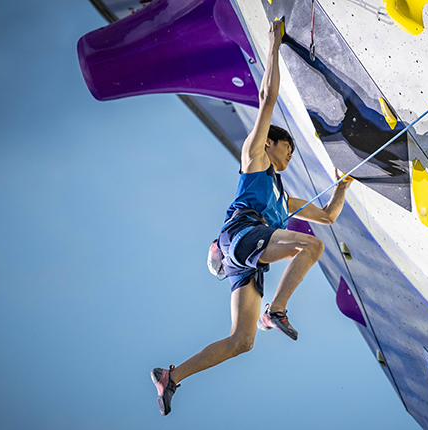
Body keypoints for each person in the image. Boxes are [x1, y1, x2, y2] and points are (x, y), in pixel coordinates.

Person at [151, 19, 353, 416]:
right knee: (310, 245)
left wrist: (342, 187)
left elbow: (328, 215)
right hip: (242, 235)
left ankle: (170, 378)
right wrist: (275, 47)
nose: (291, 156)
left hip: (248, 259)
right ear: (272, 144)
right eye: (289, 149)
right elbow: (268, 98)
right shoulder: (255, 159)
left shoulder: (284, 196)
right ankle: (274, 311)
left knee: (242, 342)